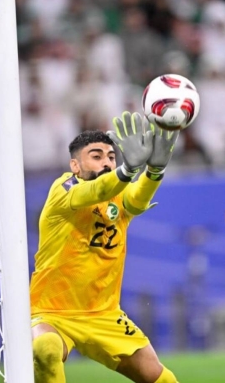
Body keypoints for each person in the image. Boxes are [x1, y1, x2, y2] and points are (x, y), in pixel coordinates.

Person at [30, 112, 180, 383]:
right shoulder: (62, 191)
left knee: (163, 379)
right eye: (96, 156)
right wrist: (128, 170)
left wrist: (154, 170)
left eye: (112, 156)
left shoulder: (118, 193)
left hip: (105, 314)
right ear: (75, 165)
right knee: (45, 348)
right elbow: (95, 192)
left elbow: (135, 200)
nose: (107, 162)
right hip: (52, 312)